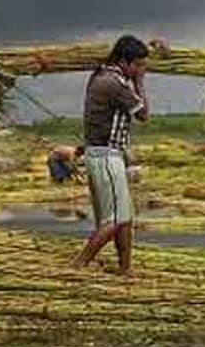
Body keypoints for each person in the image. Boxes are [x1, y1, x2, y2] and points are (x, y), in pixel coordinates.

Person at [69, 35, 163, 275]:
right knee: (113, 220)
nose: (142, 69)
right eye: (139, 65)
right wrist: (140, 82)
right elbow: (143, 115)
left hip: (104, 155)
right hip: (105, 157)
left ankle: (125, 269)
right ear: (123, 61)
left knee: (125, 218)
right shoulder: (113, 84)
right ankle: (78, 266)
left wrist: (155, 48)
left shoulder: (102, 76)